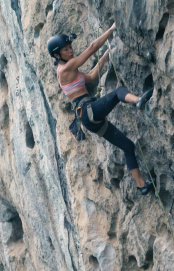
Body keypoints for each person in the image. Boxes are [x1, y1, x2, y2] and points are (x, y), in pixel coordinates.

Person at [47, 24, 154, 195]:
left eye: (70, 47)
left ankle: (142, 186)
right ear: (57, 55)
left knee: (127, 146)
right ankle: (138, 101)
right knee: (119, 92)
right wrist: (111, 29)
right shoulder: (65, 68)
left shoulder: (71, 70)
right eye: (66, 49)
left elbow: (91, 76)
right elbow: (92, 47)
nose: (70, 51)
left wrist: (105, 56)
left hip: (88, 118)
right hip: (87, 110)